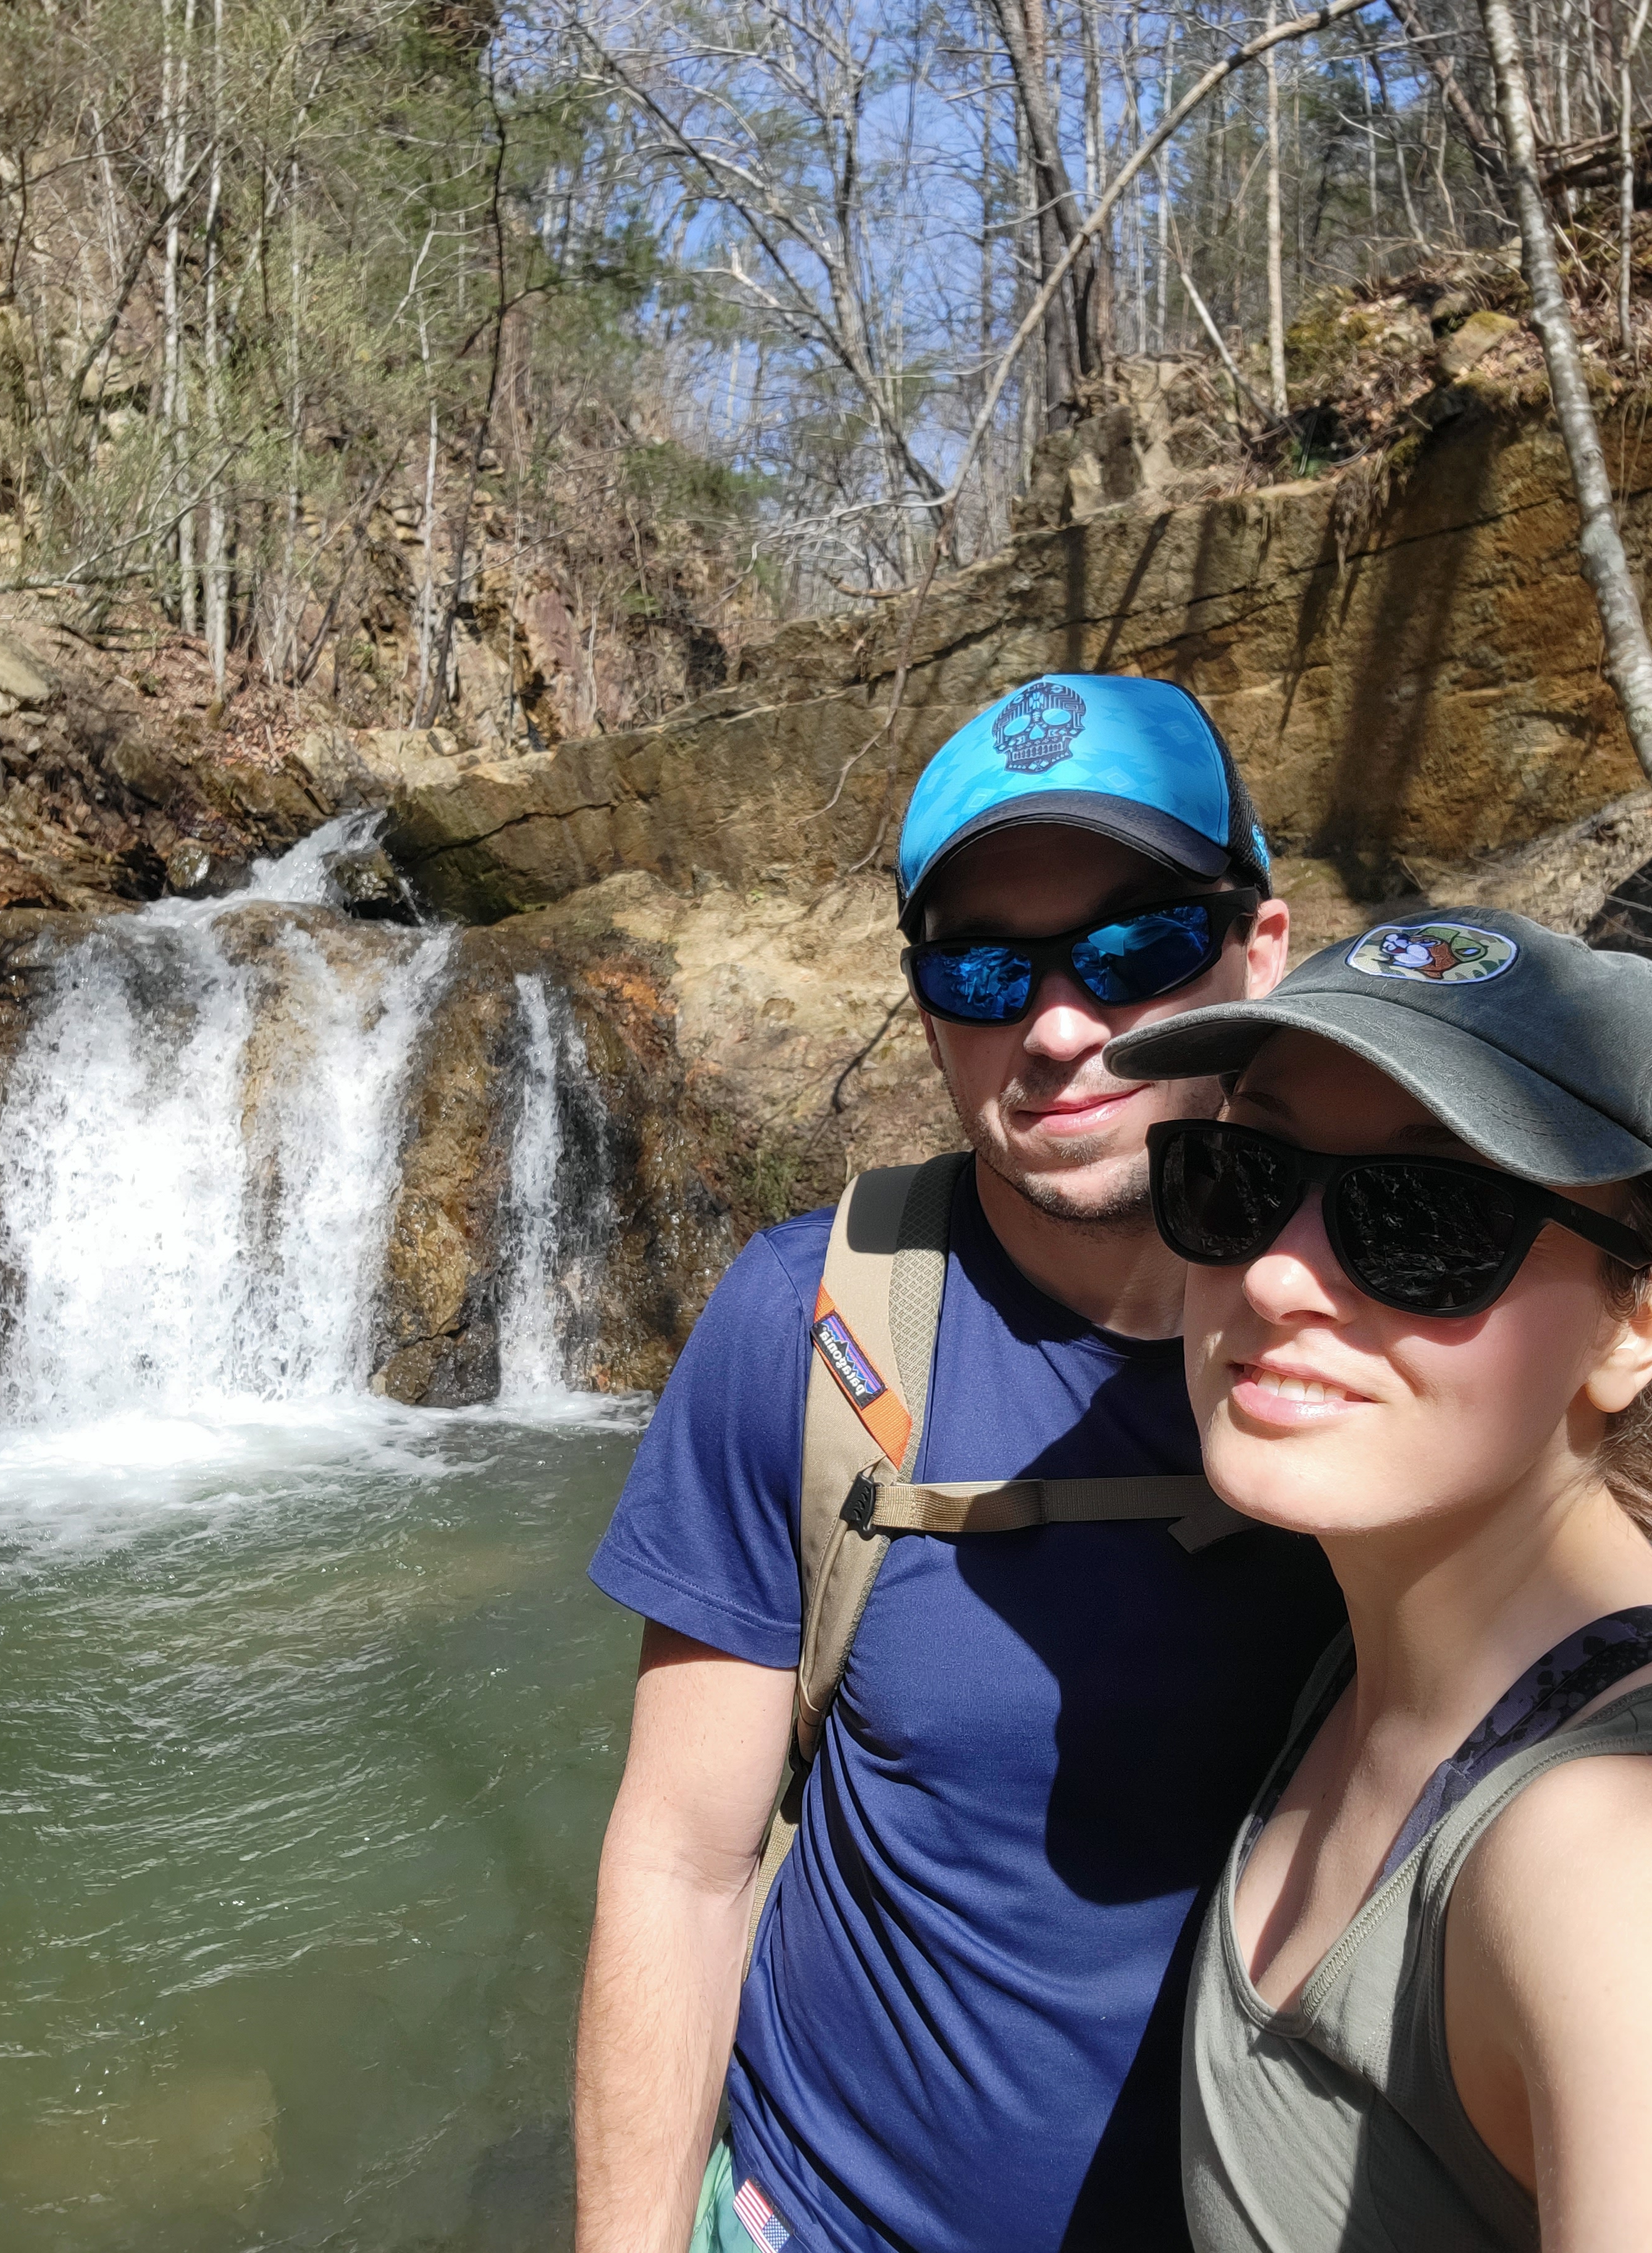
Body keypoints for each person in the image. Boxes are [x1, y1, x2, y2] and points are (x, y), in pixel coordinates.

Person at [574, 673, 1344, 2253]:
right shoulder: (808, 1323)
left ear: (1261, 950)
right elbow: (681, 1858)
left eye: (1136, 947)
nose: (1060, 1027)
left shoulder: (1418, 1325)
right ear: (929, 1008)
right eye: (987, 968)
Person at [1103, 908, 1652, 2251]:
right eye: (1240, 1177)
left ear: (1633, 1325)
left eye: (1425, 1216)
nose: (1280, 1271)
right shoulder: (1369, 1648)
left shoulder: (1601, 1866)